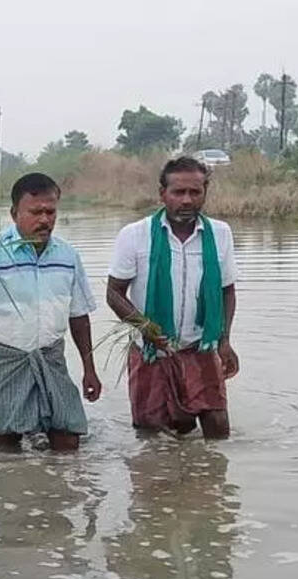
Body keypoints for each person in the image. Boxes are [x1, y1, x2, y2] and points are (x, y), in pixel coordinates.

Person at [0, 172, 101, 452]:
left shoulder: (67, 256)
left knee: (68, 437)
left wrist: (90, 370)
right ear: (14, 213)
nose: (45, 220)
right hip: (3, 357)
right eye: (35, 212)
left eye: (50, 212)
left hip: (50, 355)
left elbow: (78, 316)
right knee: (6, 444)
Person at [105, 156, 239, 439]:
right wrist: (146, 328)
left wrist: (224, 340)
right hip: (152, 349)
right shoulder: (135, 235)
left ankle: (209, 480)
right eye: (178, 192)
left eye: (195, 192)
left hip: (200, 346)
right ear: (162, 194)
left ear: (205, 193)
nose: (187, 200)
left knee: (218, 428)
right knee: (153, 436)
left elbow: (227, 290)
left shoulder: (220, 234)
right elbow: (114, 293)